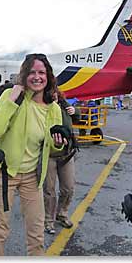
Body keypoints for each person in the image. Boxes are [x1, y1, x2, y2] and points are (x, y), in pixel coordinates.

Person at [0, 53, 67, 256]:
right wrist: (11, 99)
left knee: (36, 235)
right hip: (4, 175)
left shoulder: (54, 109)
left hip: (33, 177)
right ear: (24, 75)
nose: (37, 77)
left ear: (48, 76)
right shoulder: (10, 98)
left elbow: (52, 148)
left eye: (41, 72)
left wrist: (58, 144)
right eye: (31, 72)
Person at [44, 89, 80, 234]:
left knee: (69, 188)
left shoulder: (65, 106)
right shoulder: (43, 108)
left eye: (55, 91)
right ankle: (49, 220)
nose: (53, 94)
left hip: (66, 153)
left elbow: (76, 119)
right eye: (50, 92)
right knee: (49, 190)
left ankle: (62, 213)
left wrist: (75, 111)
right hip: (49, 154)